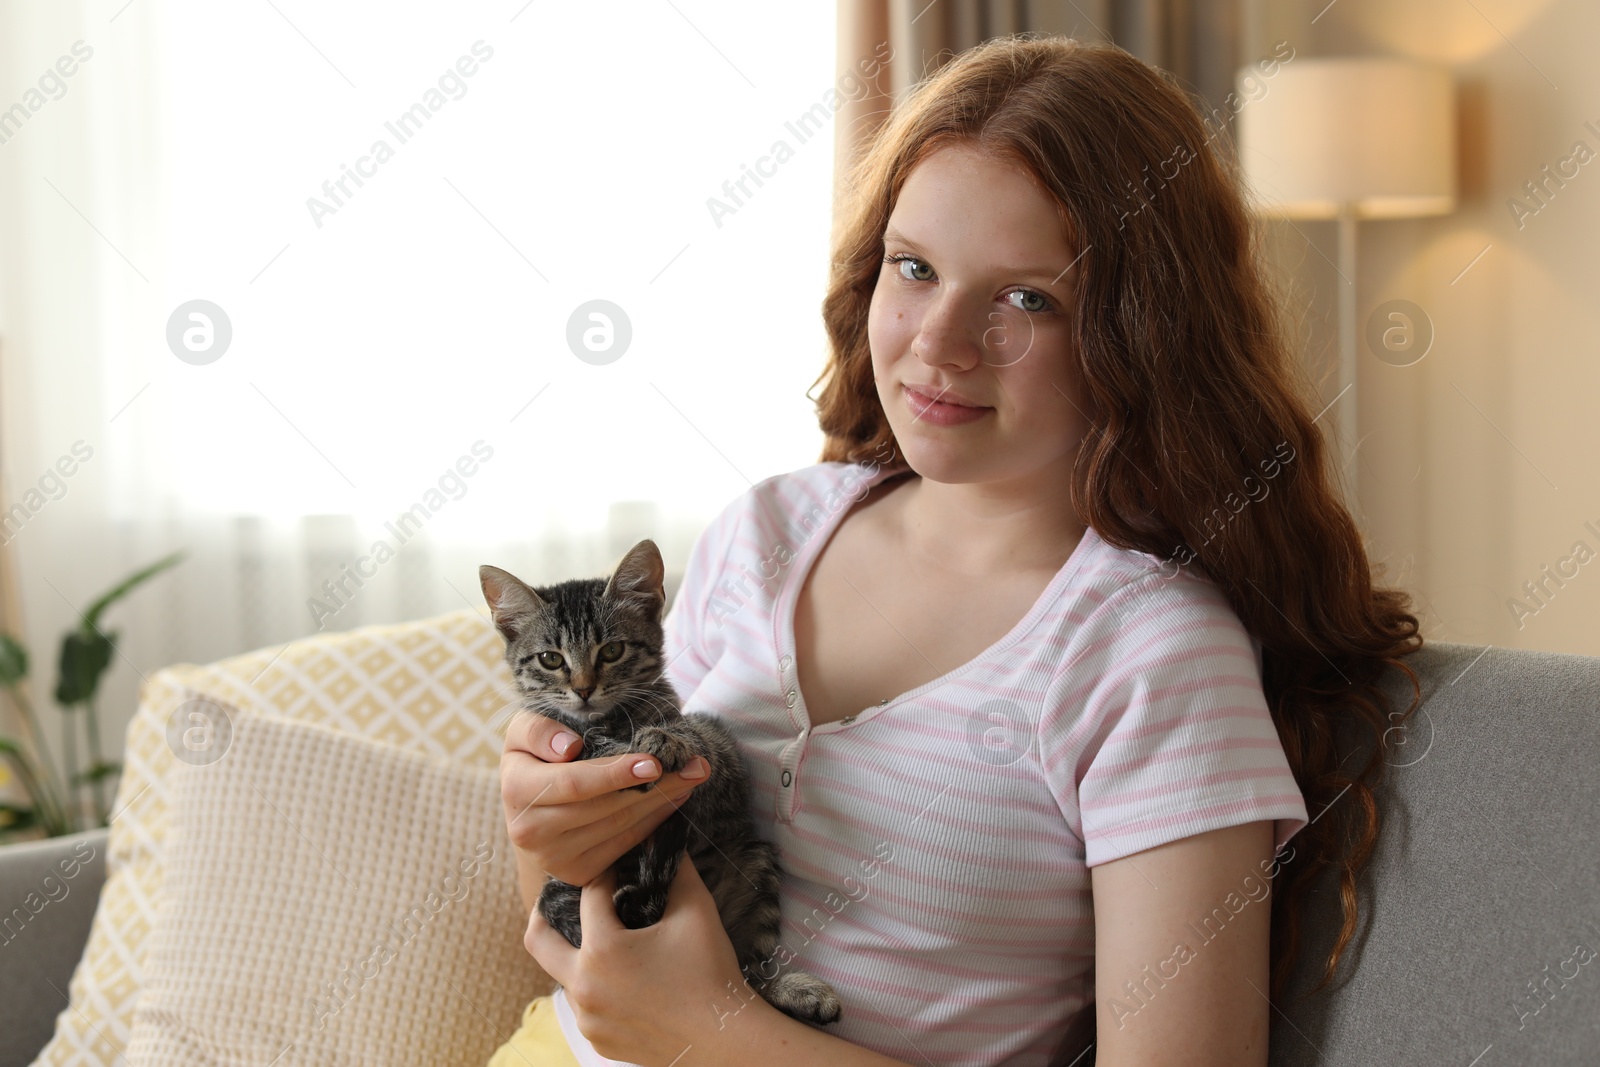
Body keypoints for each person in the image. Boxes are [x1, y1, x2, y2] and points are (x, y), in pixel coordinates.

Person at [485, 34, 1422, 1067]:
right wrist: (552, 835)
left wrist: (722, 1036)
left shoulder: (1149, 653)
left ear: (1137, 332)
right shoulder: (765, 531)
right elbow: (595, 932)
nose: (939, 341)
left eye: (1026, 298)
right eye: (915, 267)